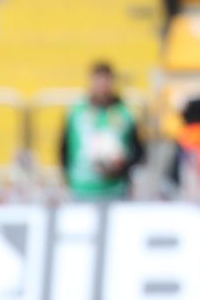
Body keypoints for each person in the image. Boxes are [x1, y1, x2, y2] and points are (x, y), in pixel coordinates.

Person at [59, 61, 143, 199]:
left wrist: (123, 166)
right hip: (81, 188)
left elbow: (137, 150)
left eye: (106, 81)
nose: (102, 86)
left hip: (116, 189)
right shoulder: (76, 112)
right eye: (98, 81)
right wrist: (66, 176)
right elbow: (63, 146)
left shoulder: (125, 112)